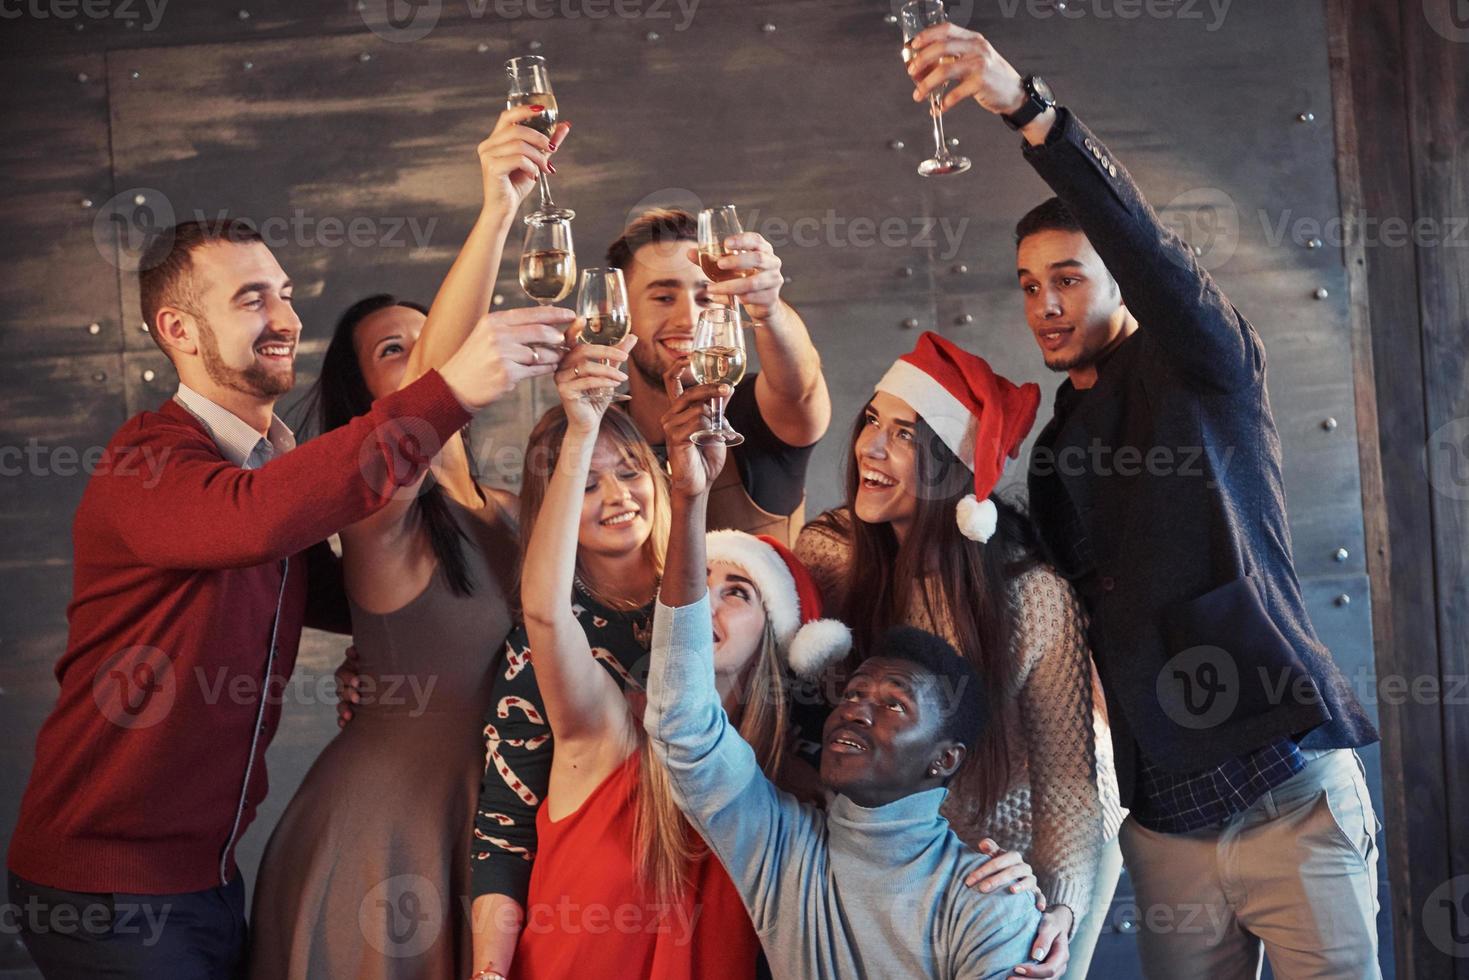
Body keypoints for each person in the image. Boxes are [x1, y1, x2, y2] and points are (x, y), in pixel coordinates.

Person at [905, 22, 1382, 978]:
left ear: (1118, 279)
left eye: (1069, 278)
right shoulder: (1053, 453)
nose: (1044, 303)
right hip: (1166, 834)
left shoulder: (1199, 364)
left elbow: (1149, 247)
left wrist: (1027, 110)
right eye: (1029, 286)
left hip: (1288, 798)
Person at [5, 215, 557, 979]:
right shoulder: (148, 459)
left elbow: (344, 591)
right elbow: (254, 520)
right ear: (178, 330)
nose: (285, 318)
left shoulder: (274, 470)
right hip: (105, 886)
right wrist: (449, 388)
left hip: (207, 879)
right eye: (251, 299)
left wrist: (386, 655)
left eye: (287, 294)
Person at [247, 106, 572, 979]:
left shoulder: (512, 508)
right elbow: (437, 385)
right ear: (369, 399)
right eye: (399, 349)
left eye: (429, 333)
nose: (431, 352)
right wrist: (497, 208)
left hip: (509, 822)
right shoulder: (376, 514)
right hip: (389, 831)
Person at [468, 351, 851, 980]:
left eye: (737, 593)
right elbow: (502, 825)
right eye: (588, 483)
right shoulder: (605, 720)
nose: (616, 496)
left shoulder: (780, 794)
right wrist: (488, 971)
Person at [644, 398, 1044, 979]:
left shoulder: (990, 901)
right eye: (854, 694)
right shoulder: (780, 846)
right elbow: (682, 721)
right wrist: (687, 504)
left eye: (892, 705)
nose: (856, 712)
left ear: (945, 760)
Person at [795, 332, 1122, 980]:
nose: (871, 447)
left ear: (953, 465)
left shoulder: (1028, 598)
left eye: (907, 434)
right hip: (886, 852)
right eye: (872, 422)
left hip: (1017, 852)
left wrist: (1057, 906)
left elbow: (1068, 785)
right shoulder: (831, 555)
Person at [605, 207, 830, 544]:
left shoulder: (757, 415)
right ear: (618, 313)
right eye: (664, 297)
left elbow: (802, 387)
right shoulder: (593, 436)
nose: (688, 318)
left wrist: (769, 309)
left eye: (706, 297)